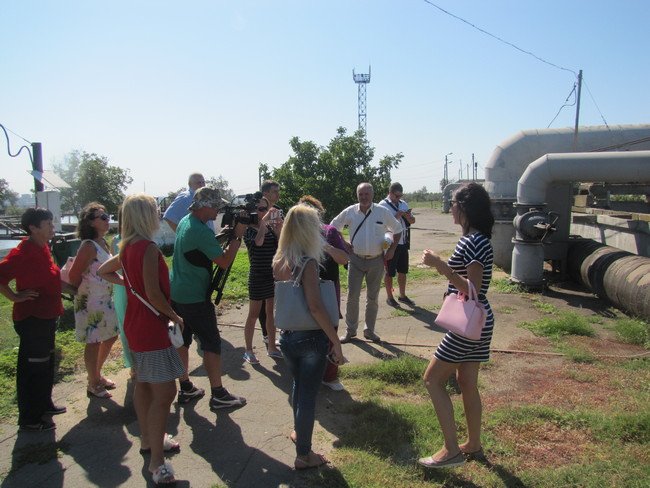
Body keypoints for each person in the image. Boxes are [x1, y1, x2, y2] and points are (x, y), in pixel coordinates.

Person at [98, 194, 185, 485]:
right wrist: (175, 315)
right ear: (145, 216)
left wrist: (127, 284)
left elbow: (103, 270)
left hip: (134, 323)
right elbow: (154, 292)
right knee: (165, 394)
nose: (159, 214)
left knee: (143, 384)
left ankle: (149, 441)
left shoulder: (126, 247)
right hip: (151, 327)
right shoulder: (147, 248)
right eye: (155, 210)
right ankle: (157, 463)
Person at [418, 182, 495, 469]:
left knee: (432, 379)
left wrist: (440, 265)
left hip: (467, 323)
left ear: (464, 208)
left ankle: (451, 450)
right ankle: (473, 444)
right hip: (478, 321)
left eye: (453, 202)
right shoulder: (479, 239)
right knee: (467, 383)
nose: (450, 207)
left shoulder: (473, 241)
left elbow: (472, 288)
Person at [272, 204, 344, 470]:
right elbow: (315, 306)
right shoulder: (308, 262)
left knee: (298, 387)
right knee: (307, 397)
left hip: (288, 337)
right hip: (311, 339)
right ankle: (304, 455)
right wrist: (335, 340)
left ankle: (298, 433)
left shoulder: (280, 259)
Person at [170, 187, 248, 409]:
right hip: (195, 297)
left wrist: (225, 234)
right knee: (211, 343)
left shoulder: (187, 221)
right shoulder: (200, 231)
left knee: (183, 341)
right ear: (205, 206)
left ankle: (185, 387)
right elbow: (223, 261)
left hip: (178, 293)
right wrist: (237, 237)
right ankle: (218, 394)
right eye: (216, 206)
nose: (218, 210)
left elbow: (202, 247)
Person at [0, 208, 69, 432]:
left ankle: (44, 405)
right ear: (33, 228)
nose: (52, 226)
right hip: (32, 319)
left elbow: (52, 278)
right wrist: (14, 296)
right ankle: (30, 418)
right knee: (33, 368)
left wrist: (75, 289)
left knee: (46, 363)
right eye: (47, 223)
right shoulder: (23, 253)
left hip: (47, 316)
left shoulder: (43, 248)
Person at [330, 182, 402, 343]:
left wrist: (391, 250)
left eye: (366, 194)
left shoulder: (382, 212)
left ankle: (369, 330)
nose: (363, 197)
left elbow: (397, 230)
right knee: (352, 296)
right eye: (361, 194)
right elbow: (333, 227)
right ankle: (350, 331)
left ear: (372, 194)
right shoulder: (350, 211)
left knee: (372, 298)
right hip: (355, 259)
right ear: (357, 195)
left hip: (376, 260)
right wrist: (343, 243)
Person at [68, 202, 119, 399]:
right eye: (102, 217)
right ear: (90, 222)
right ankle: (93, 382)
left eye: (107, 216)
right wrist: (89, 285)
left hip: (104, 299)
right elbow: (74, 276)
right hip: (91, 301)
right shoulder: (88, 246)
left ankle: (96, 374)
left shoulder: (102, 242)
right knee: (94, 341)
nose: (108, 220)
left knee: (111, 335)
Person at [299, 195, 349, 391]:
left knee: (330, 329)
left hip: (328, 289)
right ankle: (308, 373)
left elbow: (344, 259)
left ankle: (329, 376)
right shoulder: (296, 234)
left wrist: (325, 246)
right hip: (302, 290)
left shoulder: (330, 232)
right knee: (305, 329)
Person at [242, 196, 282, 363]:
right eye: (259, 209)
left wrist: (279, 226)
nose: (263, 212)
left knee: (270, 313)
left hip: (270, 275)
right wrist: (264, 224)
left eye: (265, 209)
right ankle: (248, 350)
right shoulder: (249, 230)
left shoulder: (270, 228)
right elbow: (258, 243)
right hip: (257, 276)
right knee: (253, 314)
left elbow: (280, 245)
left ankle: (272, 346)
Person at [379, 182, 416, 307]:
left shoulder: (403, 204)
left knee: (403, 271)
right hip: (390, 242)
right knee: (389, 272)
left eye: (401, 196)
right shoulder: (382, 206)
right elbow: (381, 225)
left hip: (403, 242)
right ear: (390, 193)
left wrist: (409, 216)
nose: (399, 198)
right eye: (396, 196)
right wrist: (397, 216)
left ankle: (402, 295)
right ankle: (390, 298)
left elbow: (413, 221)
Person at [258, 179, 282, 345]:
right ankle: (267, 334)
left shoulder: (278, 211)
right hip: (261, 260)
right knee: (262, 302)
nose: (278, 194)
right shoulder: (259, 211)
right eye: (274, 191)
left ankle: (275, 331)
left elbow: (282, 237)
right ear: (265, 193)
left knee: (275, 299)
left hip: (276, 259)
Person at [110, 205, 134, 375]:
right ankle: (133, 363)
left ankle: (139, 361)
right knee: (126, 325)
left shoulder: (137, 239)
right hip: (123, 287)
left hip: (128, 286)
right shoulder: (117, 240)